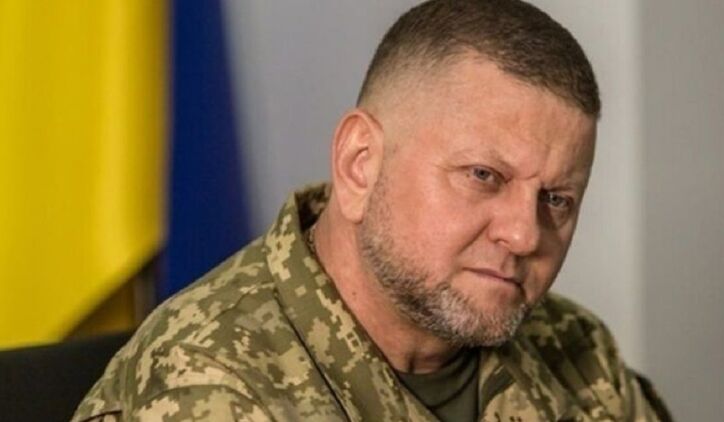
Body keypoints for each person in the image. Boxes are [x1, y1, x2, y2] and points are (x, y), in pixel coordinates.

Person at [74, 1, 671, 420]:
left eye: (557, 200)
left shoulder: (572, 348)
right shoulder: (207, 381)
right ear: (360, 164)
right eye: (483, 176)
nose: (523, 234)